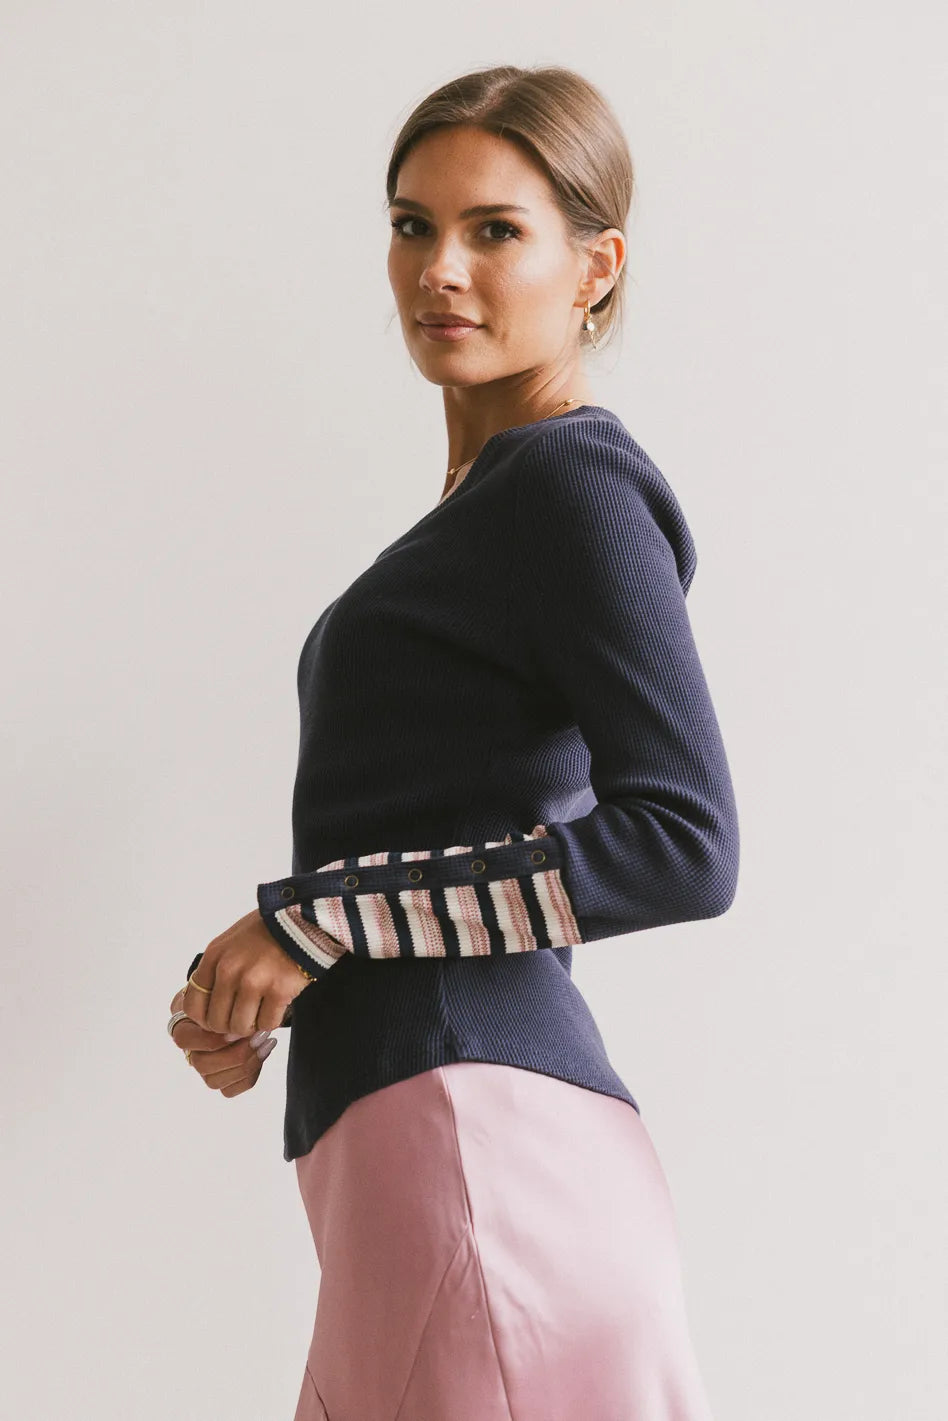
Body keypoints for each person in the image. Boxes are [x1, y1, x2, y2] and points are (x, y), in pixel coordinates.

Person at [167, 63, 739, 1421]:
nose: (440, 268)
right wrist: (279, 976)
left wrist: (319, 922)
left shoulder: (569, 484)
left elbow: (685, 843)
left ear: (595, 266)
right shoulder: (486, 513)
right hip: (421, 1133)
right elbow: (428, 828)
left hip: (481, 1148)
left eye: (495, 230)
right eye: (413, 225)